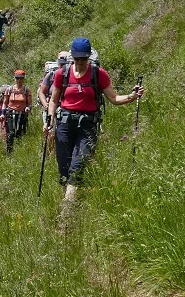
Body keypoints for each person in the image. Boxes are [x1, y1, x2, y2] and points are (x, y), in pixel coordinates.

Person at [45, 37, 143, 202]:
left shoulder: (98, 74)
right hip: (64, 124)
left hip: (87, 126)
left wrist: (131, 96)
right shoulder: (63, 73)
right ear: (72, 57)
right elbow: (54, 100)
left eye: (83, 58)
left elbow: (114, 98)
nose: (80, 62)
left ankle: (67, 210)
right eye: (77, 58)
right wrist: (50, 119)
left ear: (89, 56)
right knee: (63, 166)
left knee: (77, 165)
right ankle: (68, 197)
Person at [36, 51, 69, 133]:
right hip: (51, 108)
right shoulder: (51, 75)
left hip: (66, 109)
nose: (62, 66)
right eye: (61, 64)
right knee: (50, 131)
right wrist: (45, 104)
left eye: (64, 64)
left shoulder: (72, 76)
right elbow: (41, 92)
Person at [2, 69, 32, 153]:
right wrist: (2, 114)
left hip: (22, 114)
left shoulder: (27, 90)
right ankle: (9, 152)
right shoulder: (9, 90)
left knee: (20, 133)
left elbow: (29, 104)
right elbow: (5, 103)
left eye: (21, 78)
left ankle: (19, 152)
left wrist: (28, 108)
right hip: (11, 114)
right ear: (14, 78)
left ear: (23, 78)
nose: (19, 80)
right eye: (17, 78)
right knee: (11, 133)